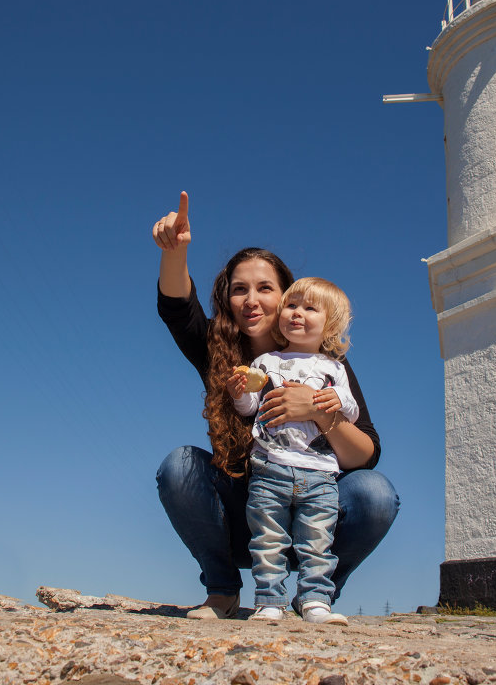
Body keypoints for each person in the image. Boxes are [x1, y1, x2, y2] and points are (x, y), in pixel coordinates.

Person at [152, 191, 399, 620]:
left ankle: (315, 596)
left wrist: (321, 412)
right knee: (179, 465)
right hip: (242, 512)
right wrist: (177, 250)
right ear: (226, 299)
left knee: (375, 495)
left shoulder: (327, 363)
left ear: (288, 296)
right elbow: (177, 309)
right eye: (239, 290)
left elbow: (366, 455)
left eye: (266, 288)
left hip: (311, 509)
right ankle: (223, 590)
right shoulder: (217, 349)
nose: (252, 300)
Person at [231, 277, 357, 625]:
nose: (297, 313)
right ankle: (269, 600)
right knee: (268, 538)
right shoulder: (265, 360)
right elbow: (247, 408)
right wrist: (239, 391)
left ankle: (316, 599)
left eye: (310, 308)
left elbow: (352, 410)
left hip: (319, 471)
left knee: (317, 539)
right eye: (291, 305)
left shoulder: (335, 368)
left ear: (329, 325)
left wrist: (339, 401)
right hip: (269, 466)